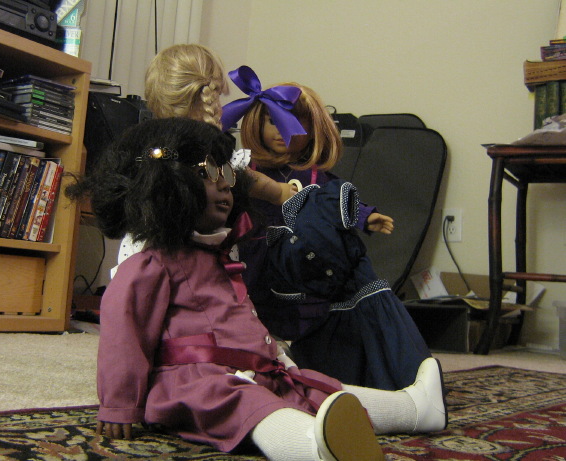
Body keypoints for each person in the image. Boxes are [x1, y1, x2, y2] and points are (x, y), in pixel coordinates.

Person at [65, 117, 447, 461]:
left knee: (318, 389)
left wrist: (280, 361)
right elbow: (123, 336)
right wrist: (118, 405)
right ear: (164, 185)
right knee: (246, 404)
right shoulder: (149, 264)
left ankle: (414, 409)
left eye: (228, 175)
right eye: (208, 174)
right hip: (195, 380)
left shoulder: (219, 255)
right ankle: (313, 446)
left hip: (258, 368)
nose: (225, 186)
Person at [221, 66, 434, 391]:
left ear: (314, 129)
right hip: (261, 259)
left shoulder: (316, 177)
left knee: (352, 280)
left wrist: (365, 217)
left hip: (310, 264)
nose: (280, 131)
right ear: (255, 123)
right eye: (271, 121)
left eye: (294, 122)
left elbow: (335, 203)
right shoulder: (247, 169)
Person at [117, 44, 297, 270]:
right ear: (210, 96)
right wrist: (279, 192)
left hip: (141, 255)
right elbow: (246, 178)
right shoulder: (207, 149)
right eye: (219, 96)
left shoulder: (148, 145)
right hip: (198, 257)